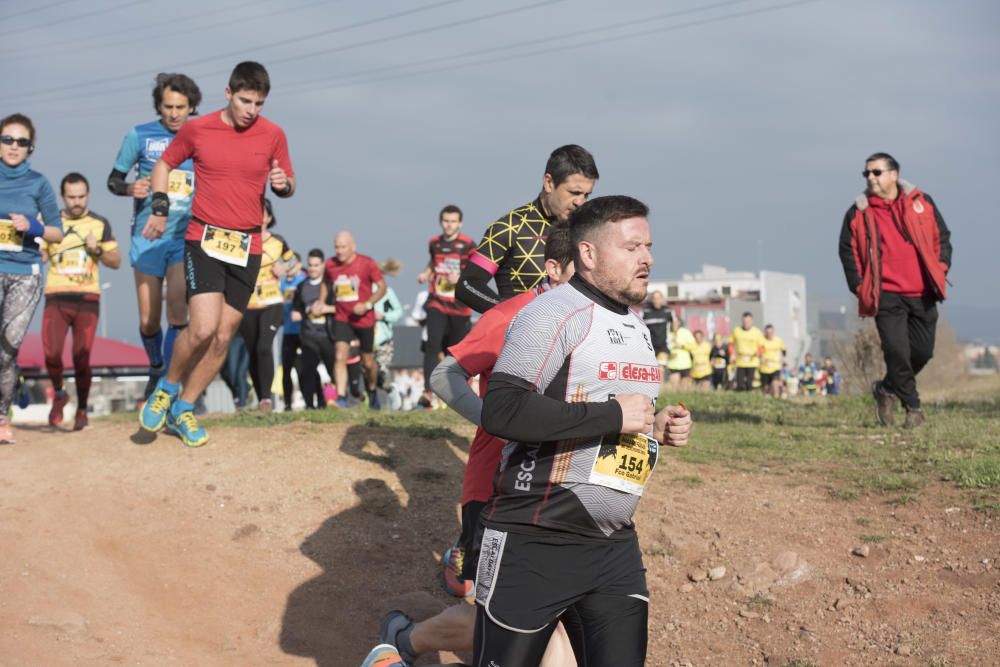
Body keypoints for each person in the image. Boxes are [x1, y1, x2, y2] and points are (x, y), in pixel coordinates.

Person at [475, 196, 691, 665]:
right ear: (588, 254)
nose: (647, 259)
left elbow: (613, 415)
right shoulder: (552, 313)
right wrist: (612, 416)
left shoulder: (637, 327)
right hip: (534, 536)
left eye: (648, 246)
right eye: (632, 247)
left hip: (613, 545)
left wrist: (655, 427)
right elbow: (502, 410)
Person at [370, 226, 581, 667]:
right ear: (554, 269)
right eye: (583, 270)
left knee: (548, 621)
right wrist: (495, 420)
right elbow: (444, 375)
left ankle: (414, 631)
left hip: (559, 491)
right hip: (496, 490)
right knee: (509, 618)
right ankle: (406, 640)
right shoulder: (512, 317)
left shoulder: (595, 323)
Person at [139, 61, 295, 447]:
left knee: (224, 338)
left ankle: (184, 409)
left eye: (258, 104)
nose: (251, 110)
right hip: (204, 239)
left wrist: (283, 184)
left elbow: (289, 184)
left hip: (247, 247)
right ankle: (166, 389)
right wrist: (159, 208)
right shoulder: (198, 129)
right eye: (244, 101)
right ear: (228, 93)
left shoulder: (273, 134)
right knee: (203, 328)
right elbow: (163, 165)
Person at [839, 152, 951, 428]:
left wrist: (941, 268)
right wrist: (860, 287)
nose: (871, 178)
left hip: (923, 293)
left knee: (922, 352)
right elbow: (848, 252)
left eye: (876, 172)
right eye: (867, 173)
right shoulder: (858, 212)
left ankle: (887, 388)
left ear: (894, 174)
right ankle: (913, 408)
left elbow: (941, 237)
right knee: (896, 352)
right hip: (885, 295)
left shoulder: (921, 202)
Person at [108, 72, 201, 398]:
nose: (174, 114)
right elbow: (113, 180)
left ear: (192, 107)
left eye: (181, 107)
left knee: (177, 312)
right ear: (159, 106)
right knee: (149, 320)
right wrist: (129, 188)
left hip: (183, 236)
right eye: (168, 107)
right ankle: (157, 364)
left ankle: (168, 385)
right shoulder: (140, 135)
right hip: (147, 237)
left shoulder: (202, 135)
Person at [456, 144, 598, 312]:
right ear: (549, 183)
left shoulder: (584, 230)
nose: (580, 202)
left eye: (586, 195)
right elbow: (467, 284)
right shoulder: (510, 227)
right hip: (521, 327)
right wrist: (510, 313)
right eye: (574, 192)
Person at [0, 113, 64, 444]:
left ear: (30, 148)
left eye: (21, 142)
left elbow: (57, 232)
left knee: (7, 348)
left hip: (25, 274)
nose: (14, 146)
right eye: (7, 139)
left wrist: (33, 227)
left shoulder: (39, 183)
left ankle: (2, 414)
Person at [41, 173, 121, 430]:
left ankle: (82, 409)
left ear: (88, 195)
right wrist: (39, 249)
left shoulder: (100, 223)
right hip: (56, 296)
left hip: (87, 298)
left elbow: (116, 261)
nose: (77, 202)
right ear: (62, 196)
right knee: (51, 353)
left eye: (81, 196)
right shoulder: (49, 223)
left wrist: (96, 249)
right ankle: (60, 393)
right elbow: (39, 254)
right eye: (71, 197)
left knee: (81, 356)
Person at [313, 232, 386, 408]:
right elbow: (325, 283)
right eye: (336, 247)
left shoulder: (366, 263)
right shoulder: (330, 264)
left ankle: (372, 391)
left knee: (368, 362)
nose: (339, 251)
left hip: (364, 319)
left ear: (353, 247)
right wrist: (321, 302)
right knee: (340, 355)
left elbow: (382, 287)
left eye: (343, 247)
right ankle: (340, 397)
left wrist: (367, 304)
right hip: (342, 317)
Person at [417, 204, 475, 407]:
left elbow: (476, 270)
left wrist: (460, 277)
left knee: (455, 352)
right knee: (432, 345)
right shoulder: (434, 243)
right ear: (441, 222)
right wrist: (426, 273)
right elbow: (433, 262)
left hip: (459, 306)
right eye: (446, 221)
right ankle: (427, 391)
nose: (449, 225)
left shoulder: (468, 245)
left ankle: (459, 392)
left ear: (460, 223)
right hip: (437, 302)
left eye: (453, 221)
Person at [239, 198, 293, 411]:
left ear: (269, 218)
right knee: (253, 351)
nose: (258, 217)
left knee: (264, 347)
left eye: (262, 213)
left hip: (272, 302)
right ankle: (261, 396)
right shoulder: (241, 240)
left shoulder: (278, 241)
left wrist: (284, 268)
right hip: (248, 304)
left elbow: (293, 261)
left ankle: (267, 398)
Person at [292, 249, 334, 408]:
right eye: (310, 265)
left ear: (322, 265)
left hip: (328, 335)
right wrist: (303, 313)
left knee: (333, 370)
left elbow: (341, 308)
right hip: (309, 335)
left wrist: (326, 309)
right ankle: (310, 404)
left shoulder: (330, 285)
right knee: (308, 370)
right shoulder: (302, 286)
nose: (312, 269)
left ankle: (335, 401)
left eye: (316, 265)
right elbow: (297, 309)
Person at [280, 252, 312, 410]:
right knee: (286, 369)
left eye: (291, 263)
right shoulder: (281, 283)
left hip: (304, 332)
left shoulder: (305, 281)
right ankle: (287, 404)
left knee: (304, 369)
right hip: (288, 332)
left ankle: (310, 402)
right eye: (285, 263)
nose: (288, 267)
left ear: (299, 264)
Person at [374, 258, 404, 393]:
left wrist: (384, 316)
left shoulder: (387, 292)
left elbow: (399, 312)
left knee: (382, 372)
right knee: (368, 371)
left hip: (383, 338)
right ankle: (373, 399)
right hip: (365, 337)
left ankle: (391, 392)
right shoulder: (362, 291)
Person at [729, 311, 763, 391]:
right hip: (740, 361)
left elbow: (762, 347)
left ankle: (750, 396)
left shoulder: (757, 332)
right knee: (739, 383)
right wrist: (731, 354)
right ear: (742, 321)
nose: (746, 323)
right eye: (744, 321)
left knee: (749, 383)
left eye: (748, 321)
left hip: (752, 361)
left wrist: (759, 352)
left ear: (752, 321)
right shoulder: (736, 330)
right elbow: (731, 344)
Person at [643, 290, 672, 367]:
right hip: (649, 347)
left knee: (660, 369)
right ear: (652, 299)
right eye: (654, 298)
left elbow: (675, 325)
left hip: (663, 346)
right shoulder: (645, 311)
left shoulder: (668, 311)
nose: (656, 300)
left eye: (658, 298)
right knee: (651, 369)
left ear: (662, 299)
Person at [667, 316, 695, 388]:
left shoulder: (685, 332)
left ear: (679, 323)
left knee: (684, 388)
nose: (674, 324)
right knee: (674, 387)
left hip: (685, 364)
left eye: (676, 322)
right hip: (672, 364)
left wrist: (682, 346)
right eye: (672, 322)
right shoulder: (667, 333)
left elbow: (693, 345)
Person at [759, 324, 785, 398]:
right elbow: (760, 352)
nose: (769, 334)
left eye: (771, 333)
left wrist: (782, 357)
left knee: (775, 384)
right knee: (766, 388)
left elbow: (783, 350)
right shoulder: (762, 341)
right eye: (767, 333)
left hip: (775, 367)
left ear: (773, 332)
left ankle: (776, 399)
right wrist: (761, 357)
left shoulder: (778, 341)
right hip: (765, 367)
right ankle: (768, 398)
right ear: (765, 332)